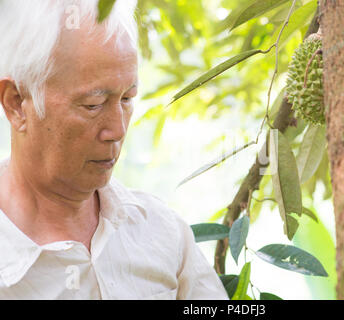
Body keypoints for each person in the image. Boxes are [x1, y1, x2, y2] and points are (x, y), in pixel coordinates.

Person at [0, 0, 228, 300]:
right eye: (92, 105)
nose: (118, 130)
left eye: (127, 99)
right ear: (17, 103)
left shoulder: (163, 233)